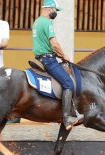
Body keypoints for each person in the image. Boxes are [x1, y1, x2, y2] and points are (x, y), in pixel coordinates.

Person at [32, 0, 83, 130]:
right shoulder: (47, 22)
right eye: (56, 10)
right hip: (48, 60)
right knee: (68, 83)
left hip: (41, 58)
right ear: (50, 9)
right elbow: (54, 43)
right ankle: (67, 118)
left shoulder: (37, 21)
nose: (56, 13)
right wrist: (64, 55)